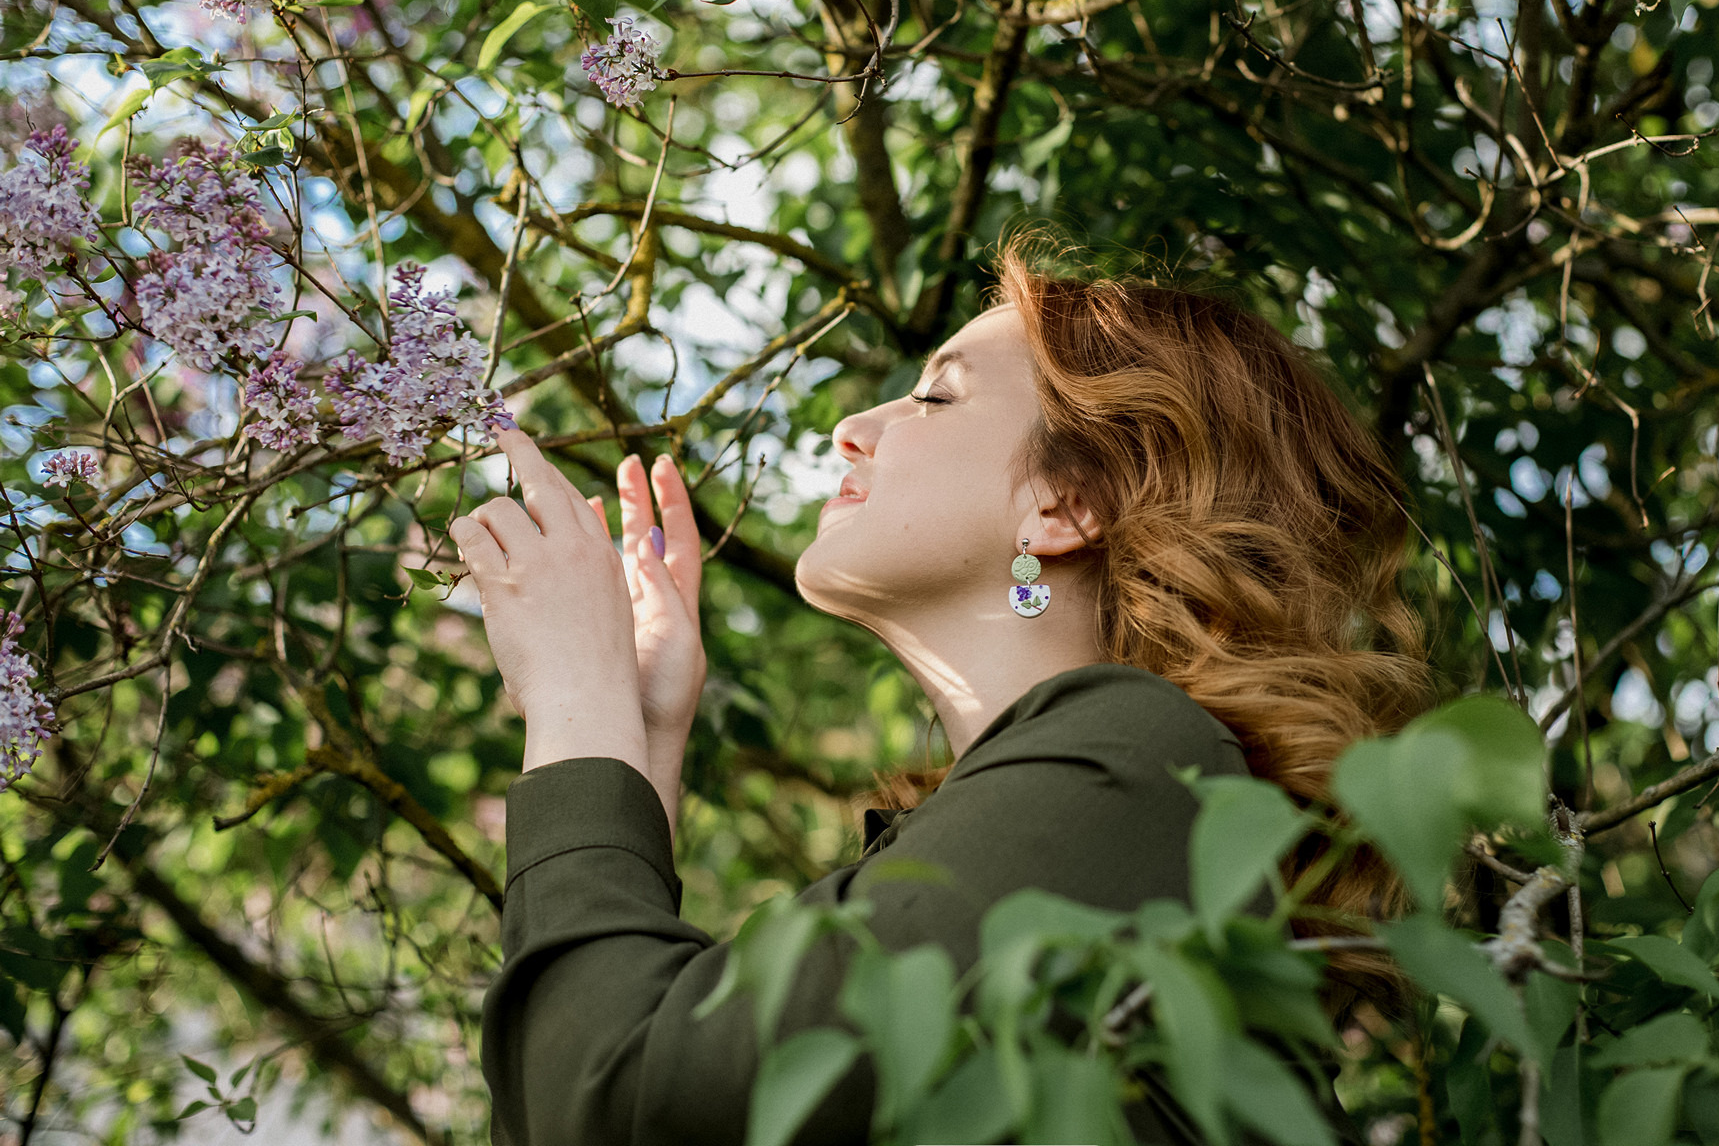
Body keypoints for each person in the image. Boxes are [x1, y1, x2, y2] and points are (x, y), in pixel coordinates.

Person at [456, 235, 1432, 1145]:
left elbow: (612, 1100)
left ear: (1066, 502)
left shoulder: (1139, 759)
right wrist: (640, 729)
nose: (850, 428)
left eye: (935, 399)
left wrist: (576, 702)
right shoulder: (1091, 814)